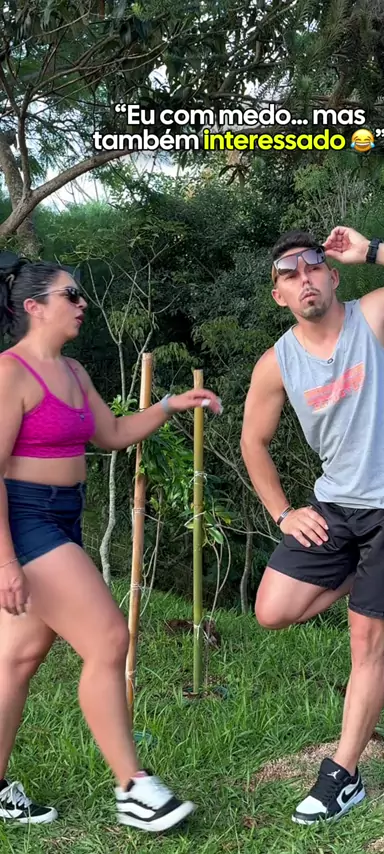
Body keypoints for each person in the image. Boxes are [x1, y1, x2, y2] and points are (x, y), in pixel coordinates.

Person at [240, 226, 384, 824]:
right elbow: (253, 442)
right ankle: (372, 582)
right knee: (272, 610)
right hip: (335, 506)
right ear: (279, 296)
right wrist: (284, 512)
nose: (304, 280)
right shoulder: (277, 363)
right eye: (289, 275)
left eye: (313, 267)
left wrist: (372, 251)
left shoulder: (376, 316)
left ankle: (342, 776)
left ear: (332, 275)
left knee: (365, 643)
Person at [0, 258, 222, 831]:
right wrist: (5, 561)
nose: (82, 304)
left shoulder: (73, 372)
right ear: (33, 307)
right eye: (70, 295)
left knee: (17, 660)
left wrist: (169, 406)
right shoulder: (9, 373)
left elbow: (112, 434)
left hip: (64, 518)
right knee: (108, 639)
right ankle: (134, 789)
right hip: (25, 521)